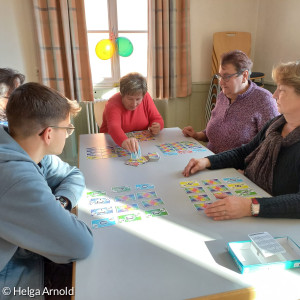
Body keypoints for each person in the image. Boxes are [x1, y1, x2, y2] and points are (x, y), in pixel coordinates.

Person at [0, 82, 93, 299]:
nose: (68, 133)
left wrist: (60, 202)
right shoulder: (16, 178)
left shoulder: (22, 144)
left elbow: (73, 174)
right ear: (48, 134)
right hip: (10, 271)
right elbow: (80, 244)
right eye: (67, 128)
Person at [182, 60, 300, 220]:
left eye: (282, 90)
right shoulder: (276, 124)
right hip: (253, 200)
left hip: (276, 219)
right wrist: (207, 162)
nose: (274, 95)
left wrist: (250, 206)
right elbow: (245, 152)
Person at [182, 50, 279, 153]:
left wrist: (246, 168)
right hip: (210, 160)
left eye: (227, 77)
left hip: (238, 167)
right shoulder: (222, 96)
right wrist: (196, 135)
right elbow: (215, 132)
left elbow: (269, 146)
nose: (221, 82)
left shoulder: (264, 100)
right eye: (220, 76)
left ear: (244, 76)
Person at [100, 72, 164, 153]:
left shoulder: (146, 97)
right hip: (111, 142)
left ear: (143, 96)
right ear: (122, 95)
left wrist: (157, 126)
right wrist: (124, 141)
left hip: (139, 144)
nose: (134, 104)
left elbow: (157, 118)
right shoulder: (113, 103)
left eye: (138, 99)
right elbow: (113, 127)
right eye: (130, 99)